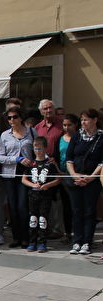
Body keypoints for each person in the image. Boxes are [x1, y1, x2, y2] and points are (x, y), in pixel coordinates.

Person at [66, 109, 103, 255]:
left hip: (92, 181)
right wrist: (74, 175)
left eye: (86, 119)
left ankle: (87, 242)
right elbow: (69, 158)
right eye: (81, 120)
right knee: (76, 211)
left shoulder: (101, 137)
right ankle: (77, 241)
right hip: (76, 180)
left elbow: (102, 161)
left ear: (95, 120)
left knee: (89, 211)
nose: (83, 122)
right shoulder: (77, 136)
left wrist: (91, 177)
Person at [0, 107, 35, 248]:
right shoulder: (4, 135)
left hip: (26, 173)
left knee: (23, 206)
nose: (12, 120)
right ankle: (16, 238)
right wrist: (17, 159)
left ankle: (25, 237)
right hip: (9, 174)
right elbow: (0, 157)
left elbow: (38, 149)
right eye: (9, 118)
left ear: (21, 118)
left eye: (15, 117)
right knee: (12, 206)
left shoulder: (31, 132)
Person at [21, 136, 61, 253]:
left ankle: (42, 242)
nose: (38, 151)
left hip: (45, 195)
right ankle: (32, 242)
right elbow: (24, 179)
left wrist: (48, 185)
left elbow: (58, 179)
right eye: (35, 148)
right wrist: (33, 185)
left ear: (45, 148)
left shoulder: (50, 163)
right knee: (33, 218)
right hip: (33, 195)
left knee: (43, 219)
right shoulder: (31, 164)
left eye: (40, 149)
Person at [54, 114, 78, 242]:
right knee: (66, 205)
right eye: (64, 125)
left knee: (77, 206)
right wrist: (58, 171)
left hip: (77, 175)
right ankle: (68, 233)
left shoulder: (80, 138)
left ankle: (79, 233)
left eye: (69, 125)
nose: (67, 127)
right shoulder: (60, 139)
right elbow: (56, 157)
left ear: (75, 125)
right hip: (63, 175)